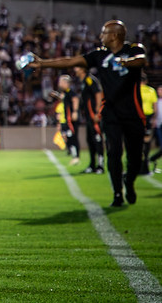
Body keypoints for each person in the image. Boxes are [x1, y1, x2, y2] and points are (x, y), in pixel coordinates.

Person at [23, 19, 146, 207]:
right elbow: (71, 61)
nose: (101, 36)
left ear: (114, 35)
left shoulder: (134, 49)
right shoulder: (98, 55)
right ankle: (117, 193)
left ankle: (129, 181)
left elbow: (141, 61)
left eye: (104, 33)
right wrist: (43, 64)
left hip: (133, 112)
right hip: (110, 113)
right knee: (114, 151)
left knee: (135, 156)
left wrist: (124, 62)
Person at [72, 65, 104, 174]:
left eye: (77, 67)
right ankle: (92, 165)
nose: (75, 69)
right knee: (90, 140)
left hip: (93, 115)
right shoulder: (84, 81)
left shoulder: (90, 79)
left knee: (97, 139)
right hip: (88, 117)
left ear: (83, 69)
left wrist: (97, 112)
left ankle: (100, 165)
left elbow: (98, 93)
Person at [56, 75, 80, 165]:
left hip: (70, 119)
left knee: (73, 137)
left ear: (66, 83)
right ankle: (74, 156)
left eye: (61, 82)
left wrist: (75, 111)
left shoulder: (70, 92)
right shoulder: (65, 93)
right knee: (69, 137)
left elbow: (75, 100)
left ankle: (76, 156)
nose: (59, 84)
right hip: (67, 119)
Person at [139, 73, 157, 174]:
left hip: (137, 118)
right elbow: (155, 107)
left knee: (137, 142)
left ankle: (136, 166)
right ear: (146, 81)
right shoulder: (151, 90)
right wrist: (154, 119)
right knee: (147, 142)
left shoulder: (135, 89)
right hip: (148, 118)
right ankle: (145, 166)